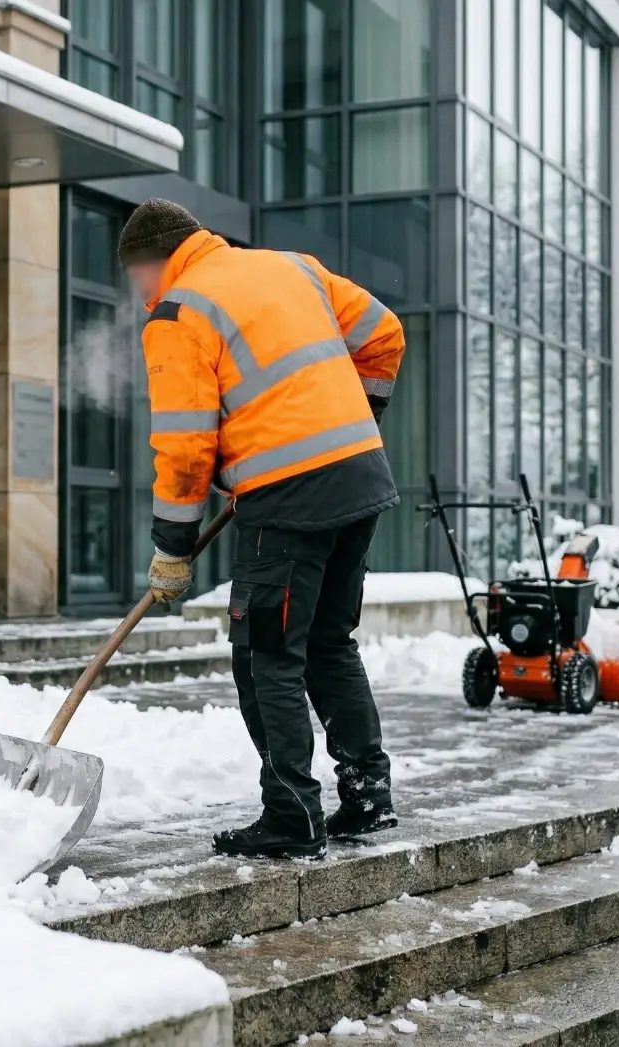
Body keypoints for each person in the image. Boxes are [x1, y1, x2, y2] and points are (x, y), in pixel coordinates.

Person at [118, 198, 406, 860]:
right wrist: (354, 419)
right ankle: (367, 795)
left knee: (265, 655)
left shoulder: (179, 311)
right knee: (329, 643)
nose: (138, 293)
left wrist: (172, 548)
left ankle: (292, 815)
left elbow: (185, 445)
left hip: (289, 498)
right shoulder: (290, 267)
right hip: (360, 477)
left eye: (136, 276)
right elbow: (385, 332)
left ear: (154, 261)